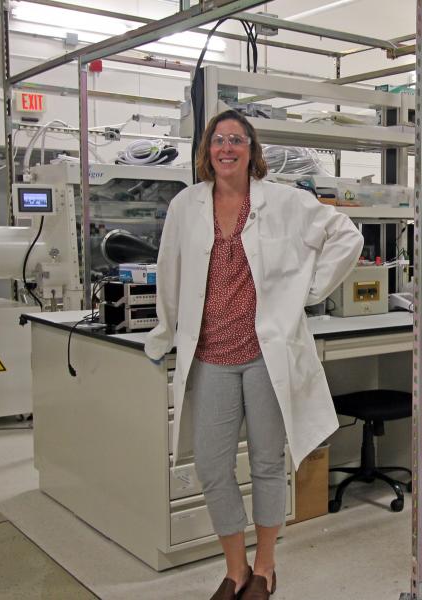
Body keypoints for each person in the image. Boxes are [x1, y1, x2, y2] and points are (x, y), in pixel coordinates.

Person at [144, 109, 363, 599]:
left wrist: (310, 289)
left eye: (237, 140)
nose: (227, 148)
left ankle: (264, 567)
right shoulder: (186, 205)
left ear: (251, 149)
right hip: (211, 355)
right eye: (218, 140)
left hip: (266, 355)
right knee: (212, 466)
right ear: (207, 151)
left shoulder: (284, 201)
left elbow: (346, 235)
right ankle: (234, 568)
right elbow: (169, 271)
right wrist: (164, 334)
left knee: (266, 462)